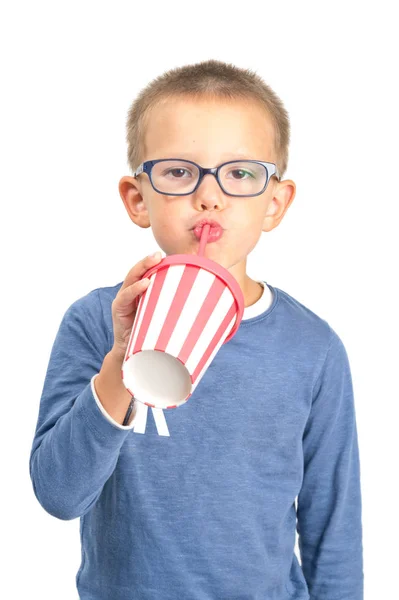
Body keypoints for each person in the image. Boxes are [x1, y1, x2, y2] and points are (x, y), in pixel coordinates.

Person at [29, 59, 364, 599]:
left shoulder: (313, 348)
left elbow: (334, 524)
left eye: (240, 174)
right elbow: (59, 495)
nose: (210, 196)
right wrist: (121, 360)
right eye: (180, 172)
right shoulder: (96, 323)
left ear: (275, 203)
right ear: (138, 199)